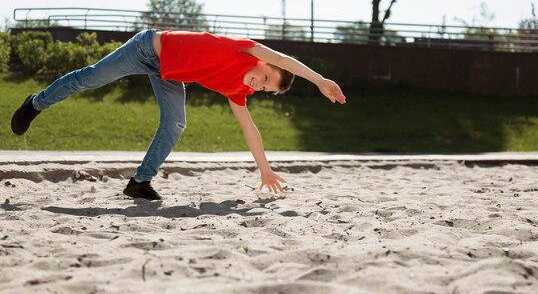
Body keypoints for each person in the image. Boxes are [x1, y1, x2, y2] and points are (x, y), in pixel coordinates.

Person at [11, 29, 346, 200]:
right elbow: (284, 59)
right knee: (89, 79)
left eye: (265, 90)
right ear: (265, 64)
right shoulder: (246, 50)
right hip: (147, 49)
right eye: (267, 79)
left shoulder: (237, 90)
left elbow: (250, 129)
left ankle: (140, 182)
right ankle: (35, 103)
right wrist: (319, 80)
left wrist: (266, 170)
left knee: (175, 122)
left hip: (167, 73)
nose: (260, 86)